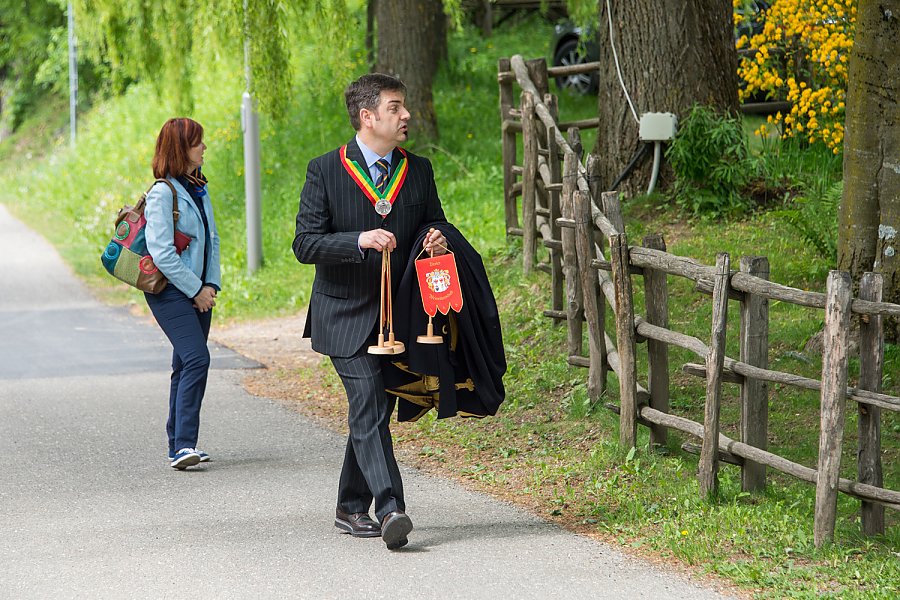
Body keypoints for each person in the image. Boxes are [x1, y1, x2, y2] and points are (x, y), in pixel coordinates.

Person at [293, 73, 447, 550]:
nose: (406, 115)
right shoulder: (325, 170)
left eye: (404, 106)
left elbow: (435, 221)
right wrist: (358, 240)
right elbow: (305, 244)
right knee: (370, 402)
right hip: (342, 316)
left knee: (373, 409)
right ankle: (391, 508)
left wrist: (436, 239)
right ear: (368, 116)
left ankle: (349, 505)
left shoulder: (418, 169)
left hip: (397, 318)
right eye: (395, 107)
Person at [144, 117, 221, 470]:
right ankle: (185, 444)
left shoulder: (198, 188)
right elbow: (162, 254)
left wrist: (211, 285)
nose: (203, 147)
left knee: (184, 363)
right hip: (169, 290)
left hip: (199, 290)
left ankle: (178, 445)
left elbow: (212, 240)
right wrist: (195, 289)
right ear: (180, 149)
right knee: (196, 359)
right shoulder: (163, 193)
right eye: (196, 142)